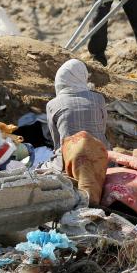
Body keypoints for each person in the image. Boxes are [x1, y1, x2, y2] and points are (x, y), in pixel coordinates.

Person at [45, 59, 109, 205]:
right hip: (102, 154)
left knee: (39, 169)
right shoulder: (99, 98)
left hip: (69, 159)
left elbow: (57, 142)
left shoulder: (52, 105)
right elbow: (102, 130)